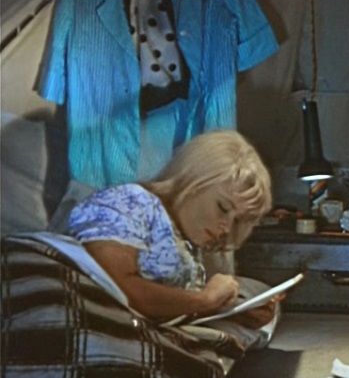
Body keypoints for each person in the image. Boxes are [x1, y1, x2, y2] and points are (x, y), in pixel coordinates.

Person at [67, 129, 274, 323]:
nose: (227, 228)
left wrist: (231, 310)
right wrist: (205, 300)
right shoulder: (132, 201)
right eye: (223, 207)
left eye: (237, 220)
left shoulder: (187, 242)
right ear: (193, 181)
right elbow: (114, 286)